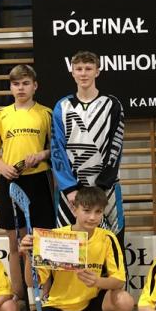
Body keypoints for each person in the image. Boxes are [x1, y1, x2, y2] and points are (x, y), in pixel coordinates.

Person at [10, 186, 134, 311]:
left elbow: (119, 281)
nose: (92, 217)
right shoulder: (54, 238)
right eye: (86, 210)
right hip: (59, 306)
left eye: (98, 212)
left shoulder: (107, 238)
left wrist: (98, 281)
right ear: (74, 209)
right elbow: (32, 283)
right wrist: (30, 256)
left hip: (92, 302)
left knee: (126, 301)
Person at [0, 64, 54, 311]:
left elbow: (56, 148)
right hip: (11, 181)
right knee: (15, 243)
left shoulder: (46, 114)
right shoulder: (2, 115)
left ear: (35, 86)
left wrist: (42, 154)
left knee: (42, 241)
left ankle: (45, 296)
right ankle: (20, 296)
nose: (21, 88)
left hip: (39, 180)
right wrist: (2, 167)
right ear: (11, 88)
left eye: (25, 83)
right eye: (16, 84)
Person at [51, 50, 125, 250]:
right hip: (72, 190)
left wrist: (102, 185)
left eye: (88, 68)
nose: (83, 73)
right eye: (79, 69)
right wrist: (69, 188)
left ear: (97, 72)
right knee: (67, 246)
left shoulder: (112, 105)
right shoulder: (62, 106)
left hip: (106, 188)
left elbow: (116, 147)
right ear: (72, 72)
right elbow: (57, 149)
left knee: (113, 242)